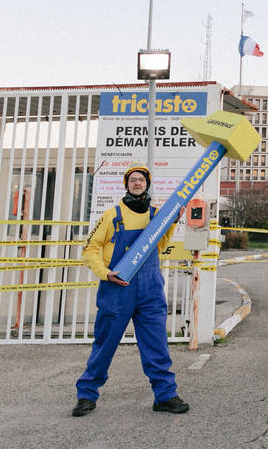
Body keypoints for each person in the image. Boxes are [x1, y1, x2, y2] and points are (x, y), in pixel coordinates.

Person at [72, 166, 189, 417]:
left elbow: (160, 245)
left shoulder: (158, 215)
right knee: (105, 345)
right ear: (127, 185)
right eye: (133, 180)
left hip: (150, 288)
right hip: (117, 289)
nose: (137, 183)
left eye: (141, 180)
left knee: (157, 344)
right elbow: (90, 249)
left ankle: (165, 395)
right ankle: (86, 395)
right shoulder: (112, 215)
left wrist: (173, 222)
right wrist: (105, 273)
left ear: (147, 184)